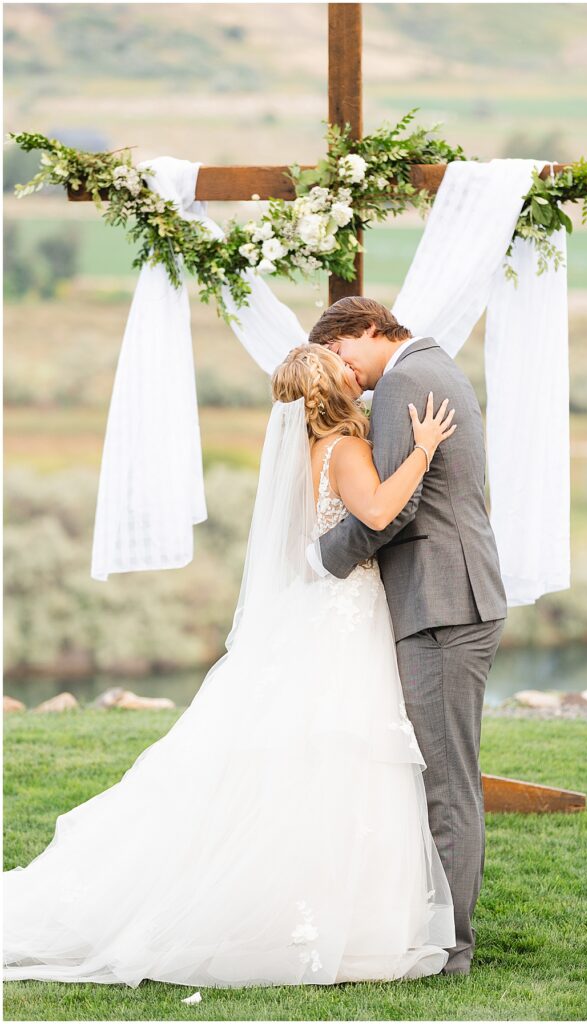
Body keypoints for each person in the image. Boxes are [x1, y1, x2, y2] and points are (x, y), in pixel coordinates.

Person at [3, 344, 458, 989]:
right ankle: (340, 917)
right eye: (346, 374)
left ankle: (328, 910)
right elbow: (379, 513)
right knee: (344, 752)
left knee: (315, 757)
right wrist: (424, 449)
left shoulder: (305, 454)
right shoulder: (345, 451)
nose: (357, 379)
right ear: (334, 389)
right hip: (344, 622)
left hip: (325, 610)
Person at [307, 296, 508, 975]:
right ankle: (432, 928)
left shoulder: (402, 381)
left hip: (443, 602)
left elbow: (389, 511)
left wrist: (319, 560)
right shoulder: (430, 367)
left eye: (340, 353)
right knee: (440, 776)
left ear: (366, 329)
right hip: (449, 593)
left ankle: (450, 947)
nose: (343, 372)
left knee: (445, 783)